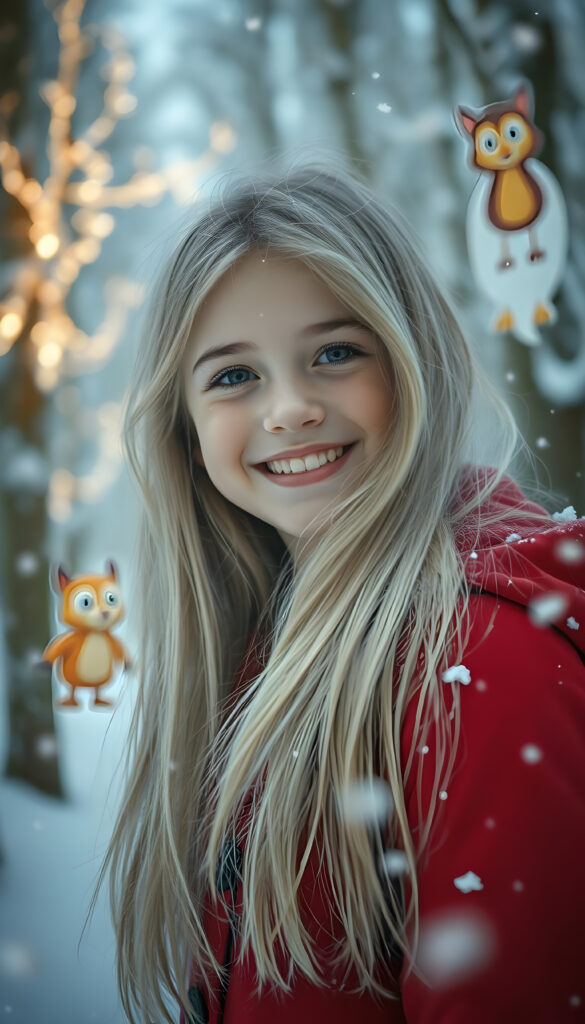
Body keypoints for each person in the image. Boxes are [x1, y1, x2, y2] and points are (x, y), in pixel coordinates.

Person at [97, 154, 585, 1024]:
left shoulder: (476, 663)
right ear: (186, 427)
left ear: (412, 362)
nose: (288, 409)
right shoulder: (269, 633)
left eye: (334, 352)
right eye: (234, 376)